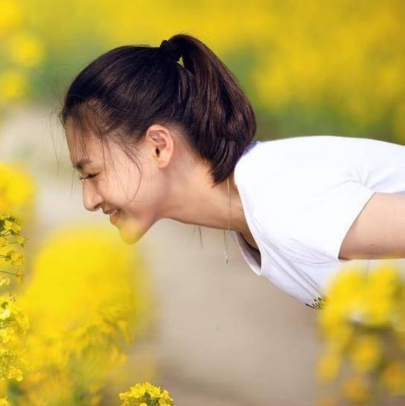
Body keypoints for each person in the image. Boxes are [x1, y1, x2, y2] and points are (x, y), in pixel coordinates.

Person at [60, 33, 405, 309]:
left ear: (159, 147)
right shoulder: (255, 217)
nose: (89, 201)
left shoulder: (281, 197)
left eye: (93, 174)